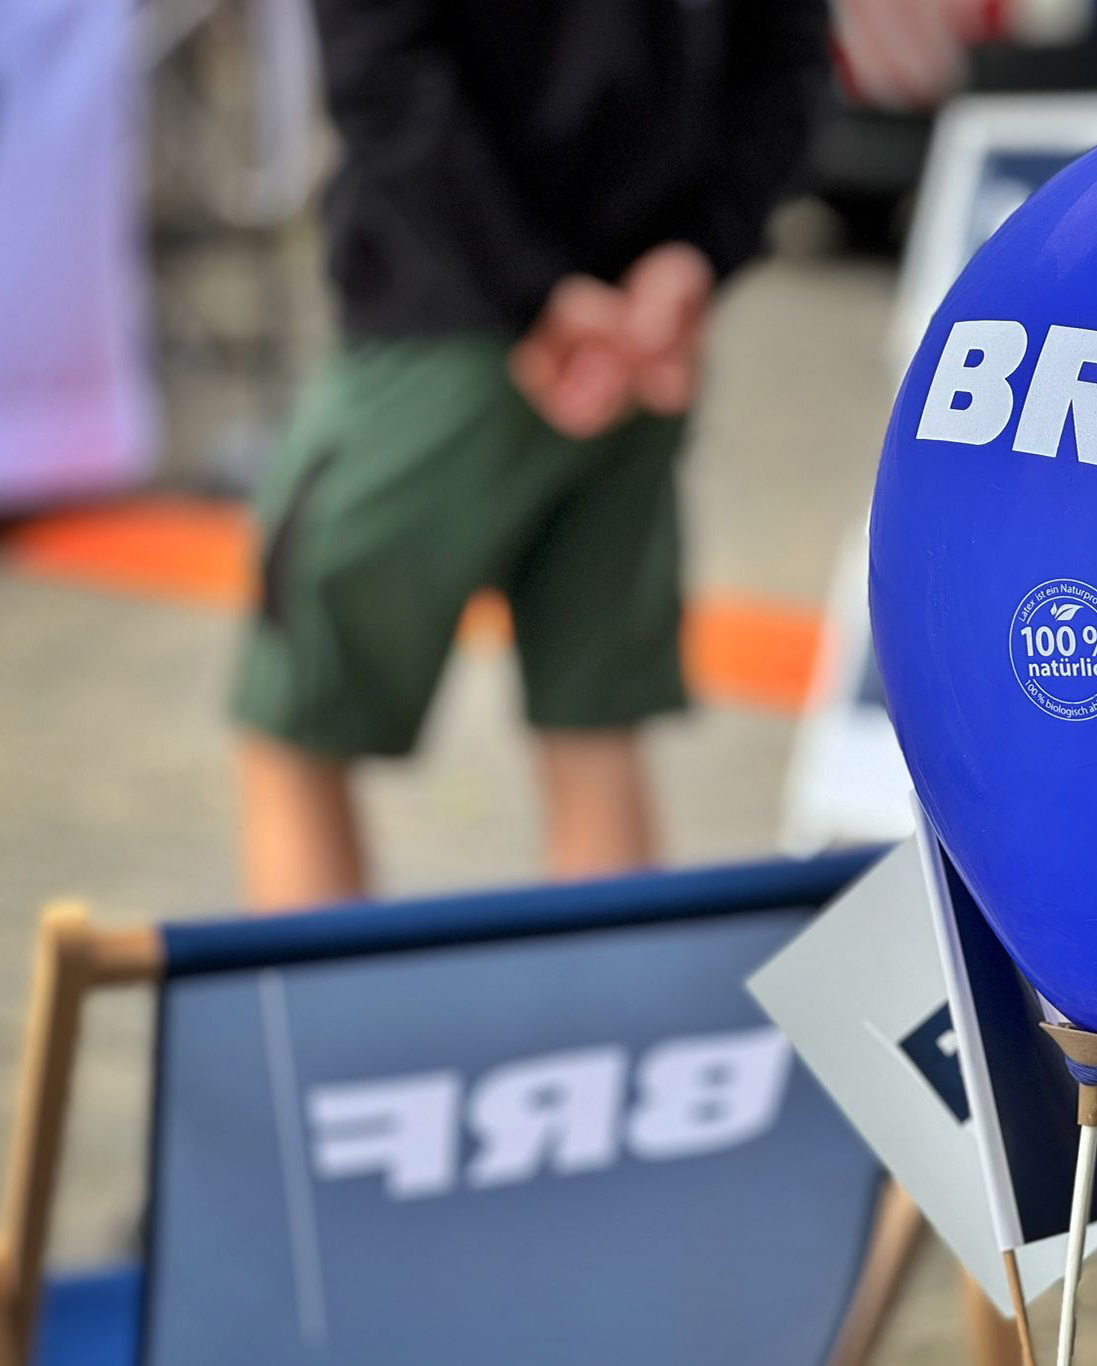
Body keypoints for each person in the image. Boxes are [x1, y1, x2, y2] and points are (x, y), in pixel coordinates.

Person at [231, 0, 829, 908]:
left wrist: (544, 293)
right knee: (597, 740)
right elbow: (788, 63)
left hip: (450, 328)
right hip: (636, 329)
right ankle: (617, 1007)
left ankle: (311, 1013)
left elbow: (382, 74)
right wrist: (693, 256)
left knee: (294, 730)